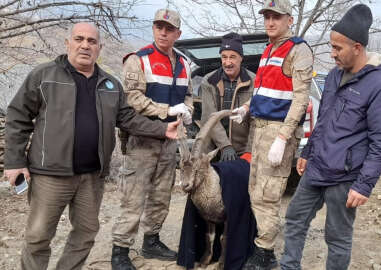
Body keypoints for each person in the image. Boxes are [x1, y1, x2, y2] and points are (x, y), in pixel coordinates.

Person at [4, 22, 179, 270]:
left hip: (91, 177)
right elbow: (18, 116)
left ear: (99, 48)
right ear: (68, 43)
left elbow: (128, 118)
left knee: (85, 236)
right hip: (50, 174)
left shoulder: (110, 84)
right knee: (38, 237)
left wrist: (163, 129)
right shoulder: (44, 76)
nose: (85, 45)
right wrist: (14, 161)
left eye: (92, 41)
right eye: (79, 39)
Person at [280, 4, 381, 270]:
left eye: (337, 48)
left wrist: (364, 185)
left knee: (337, 238)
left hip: (345, 178)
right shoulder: (334, 77)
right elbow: (324, 121)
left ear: (357, 47)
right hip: (317, 168)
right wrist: (308, 152)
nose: (332, 54)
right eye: (331, 46)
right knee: (294, 218)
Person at [231, 0, 314, 268]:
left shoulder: (298, 50)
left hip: (278, 131)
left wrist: (282, 138)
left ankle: (265, 253)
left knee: (268, 194)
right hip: (258, 128)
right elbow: (262, 90)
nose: (270, 22)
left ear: (289, 20)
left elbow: (301, 100)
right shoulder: (268, 50)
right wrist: (246, 107)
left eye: (276, 17)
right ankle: (261, 245)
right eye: (267, 16)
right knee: (255, 190)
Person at [110, 8, 193, 270]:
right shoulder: (139, 59)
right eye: (159, 27)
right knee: (134, 196)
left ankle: (151, 240)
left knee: (161, 194)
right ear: (154, 28)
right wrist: (166, 111)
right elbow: (133, 98)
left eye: (169, 29)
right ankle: (120, 251)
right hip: (143, 140)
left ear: (178, 33)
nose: (163, 32)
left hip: (170, 142)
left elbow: (188, 93)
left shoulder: (183, 63)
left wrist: (187, 109)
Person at [200, 32, 255, 161]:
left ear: (241, 57)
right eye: (224, 57)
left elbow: (255, 121)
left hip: (242, 152)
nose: (228, 62)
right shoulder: (209, 81)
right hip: (212, 151)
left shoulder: (254, 81)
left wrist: (250, 151)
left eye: (232, 57)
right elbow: (209, 116)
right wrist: (225, 146)